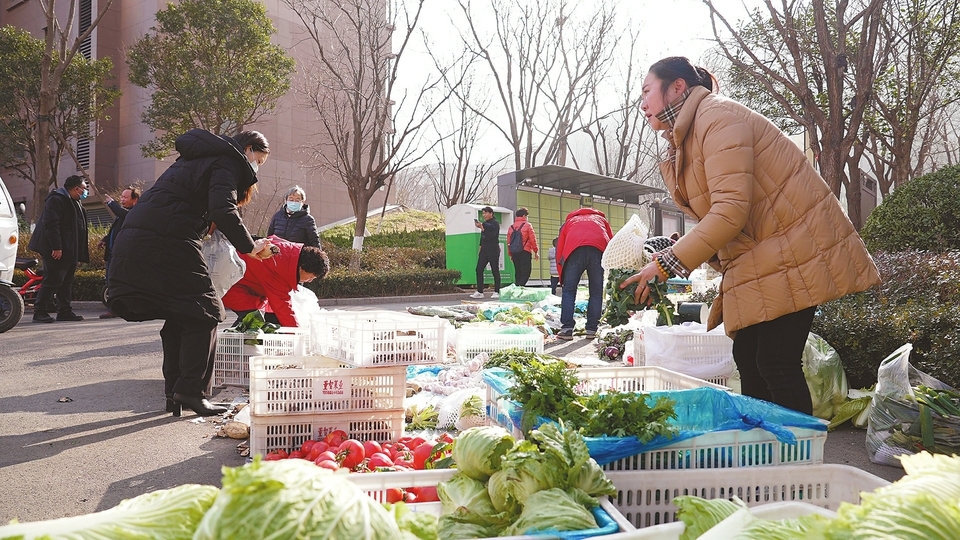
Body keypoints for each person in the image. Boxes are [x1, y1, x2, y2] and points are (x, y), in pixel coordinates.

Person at [623, 56, 880, 414]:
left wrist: (668, 263)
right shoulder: (690, 135)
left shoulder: (718, 118)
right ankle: (765, 441)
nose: (642, 103)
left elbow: (730, 210)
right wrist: (678, 250)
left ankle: (797, 447)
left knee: (776, 361)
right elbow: (721, 213)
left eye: (647, 91)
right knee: (749, 357)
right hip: (763, 252)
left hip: (792, 246)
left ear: (677, 87)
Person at [107, 129, 277, 417]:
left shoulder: (195, 158)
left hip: (139, 238)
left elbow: (210, 210)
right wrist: (250, 247)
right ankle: (190, 391)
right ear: (248, 149)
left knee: (181, 312)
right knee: (206, 312)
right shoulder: (228, 161)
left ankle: (174, 391)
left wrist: (249, 242)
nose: (256, 168)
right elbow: (223, 209)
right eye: (258, 160)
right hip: (168, 240)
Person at [222, 236, 330, 328]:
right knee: (253, 320)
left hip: (241, 281)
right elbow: (283, 308)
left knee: (259, 320)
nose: (309, 280)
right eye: (311, 277)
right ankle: (230, 344)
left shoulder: (288, 253)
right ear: (302, 268)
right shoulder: (279, 268)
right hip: (232, 284)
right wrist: (297, 334)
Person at [27, 175, 90, 323]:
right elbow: (51, 224)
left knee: (66, 282)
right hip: (56, 249)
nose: (85, 191)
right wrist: (56, 246)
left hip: (70, 250)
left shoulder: (75, 202)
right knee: (53, 280)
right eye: (84, 188)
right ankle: (40, 311)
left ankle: (65, 311)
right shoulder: (56, 200)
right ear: (76, 189)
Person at [555, 208, 612, 341]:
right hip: (598, 250)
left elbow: (560, 248)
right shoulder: (601, 220)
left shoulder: (570, 222)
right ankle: (592, 329)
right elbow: (611, 241)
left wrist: (561, 274)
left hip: (574, 251)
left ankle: (567, 329)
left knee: (569, 291)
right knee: (596, 292)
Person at [98, 186, 140, 318]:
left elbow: (124, 214)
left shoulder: (134, 213)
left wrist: (111, 203)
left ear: (135, 200)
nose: (122, 199)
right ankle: (116, 308)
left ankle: (116, 309)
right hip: (113, 254)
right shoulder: (121, 214)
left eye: (125, 197)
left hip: (122, 256)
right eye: (121, 197)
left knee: (117, 282)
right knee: (111, 281)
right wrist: (105, 239)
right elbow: (116, 230)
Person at [470, 206, 501, 299]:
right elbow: (483, 236)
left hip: (493, 250)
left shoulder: (495, 223)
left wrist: (482, 228)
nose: (484, 215)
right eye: (483, 213)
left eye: (486, 213)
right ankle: (480, 291)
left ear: (491, 213)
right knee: (479, 269)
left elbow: (492, 236)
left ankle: (497, 291)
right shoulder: (484, 223)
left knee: (495, 270)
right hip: (484, 250)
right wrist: (480, 246)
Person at [507, 207, 539, 286]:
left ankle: (517, 287)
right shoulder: (527, 225)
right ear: (524, 216)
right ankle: (520, 287)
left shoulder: (511, 227)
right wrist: (536, 251)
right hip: (525, 251)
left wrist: (510, 253)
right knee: (526, 272)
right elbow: (532, 239)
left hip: (514, 252)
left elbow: (509, 242)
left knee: (518, 272)